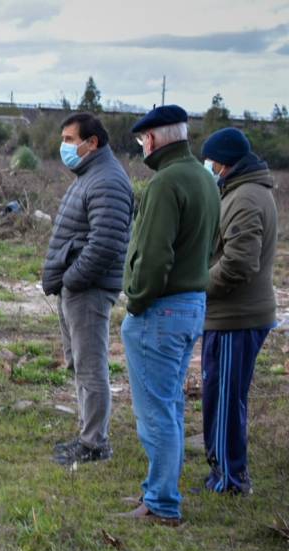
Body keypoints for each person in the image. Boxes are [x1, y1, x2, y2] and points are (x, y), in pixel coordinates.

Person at [117, 105, 220, 526]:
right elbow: (211, 245)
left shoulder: (164, 184)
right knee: (171, 406)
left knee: (155, 412)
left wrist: (137, 301)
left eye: (143, 140)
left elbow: (154, 255)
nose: (142, 146)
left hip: (160, 309)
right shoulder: (205, 179)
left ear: (155, 139)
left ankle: (161, 503)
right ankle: (159, 490)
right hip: (193, 302)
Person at [42, 112, 133, 464]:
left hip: (89, 290)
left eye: (69, 140)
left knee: (91, 366)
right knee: (81, 364)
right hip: (78, 287)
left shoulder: (107, 180)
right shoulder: (89, 174)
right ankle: (87, 435)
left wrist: (72, 278)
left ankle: (95, 443)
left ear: (91, 142)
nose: (64, 147)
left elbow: (105, 243)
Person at [199, 127, 279, 495]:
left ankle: (231, 479)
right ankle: (222, 473)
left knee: (227, 400)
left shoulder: (245, 198)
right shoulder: (241, 191)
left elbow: (237, 265)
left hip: (237, 317)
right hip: (232, 315)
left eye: (211, 161)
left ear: (224, 163)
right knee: (221, 396)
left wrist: (197, 285)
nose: (208, 167)